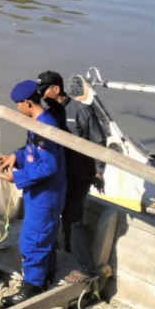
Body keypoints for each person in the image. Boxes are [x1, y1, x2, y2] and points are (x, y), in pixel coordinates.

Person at [0, 79, 66, 306]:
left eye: (18, 105)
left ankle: (32, 287)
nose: (17, 109)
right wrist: (15, 157)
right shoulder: (37, 122)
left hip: (45, 195)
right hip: (39, 193)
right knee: (45, 236)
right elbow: (32, 152)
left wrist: (16, 177)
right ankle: (47, 275)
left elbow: (48, 166)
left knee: (32, 240)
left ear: (27, 103)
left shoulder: (45, 128)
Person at [37, 70, 106, 283]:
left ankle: (86, 268)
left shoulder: (80, 110)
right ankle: (67, 253)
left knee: (73, 218)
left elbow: (99, 141)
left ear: (56, 89)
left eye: (44, 90)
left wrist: (99, 170)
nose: (41, 95)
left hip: (80, 173)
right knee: (62, 214)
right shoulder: (50, 113)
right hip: (61, 173)